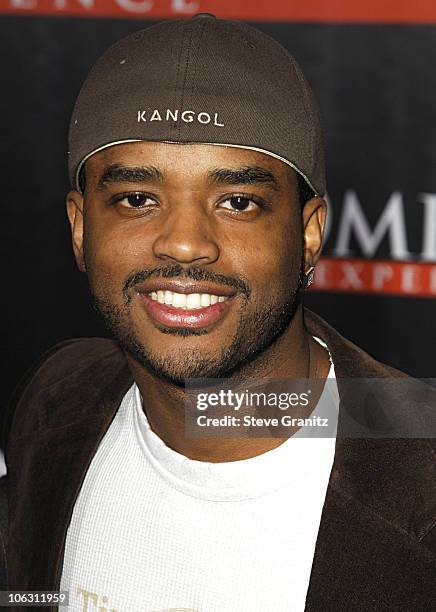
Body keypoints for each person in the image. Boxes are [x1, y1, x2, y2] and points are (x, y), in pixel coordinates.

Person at [2, 13, 435, 612]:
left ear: (308, 236)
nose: (183, 243)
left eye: (237, 201)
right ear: (80, 228)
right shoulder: (54, 398)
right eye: (136, 199)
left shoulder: (422, 480)